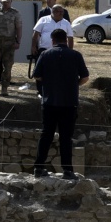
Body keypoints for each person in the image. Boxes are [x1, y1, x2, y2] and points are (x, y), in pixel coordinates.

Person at [32, 27, 89, 178]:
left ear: (52, 40)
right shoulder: (76, 55)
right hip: (69, 102)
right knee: (66, 137)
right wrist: (74, 84)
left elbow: (37, 76)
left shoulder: (45, 54)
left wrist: (49, 82)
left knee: (46, 135)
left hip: (50, 101)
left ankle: (38, 167)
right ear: (66, 40)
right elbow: (85, 77)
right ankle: (68, 170)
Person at [24, 3, 69, 91]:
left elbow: (70, 38)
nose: (61, 14)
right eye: (59, 12)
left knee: (56, 70)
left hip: (60, 51)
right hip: (44, 50)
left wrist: (70, 50)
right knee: (40, 70)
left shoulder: (65, 22)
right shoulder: (43, 20)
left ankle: (54, 89)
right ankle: (40, 91)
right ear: (53, 12)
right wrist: (33, 47)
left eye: (62, 12)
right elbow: (36, 34)